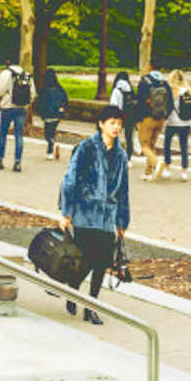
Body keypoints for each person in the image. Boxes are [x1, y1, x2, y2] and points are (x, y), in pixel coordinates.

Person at [57, 104, 132, 325]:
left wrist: (122, 222)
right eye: (112, 123)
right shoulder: (86, 148)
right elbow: (70, 181)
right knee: (85, 262)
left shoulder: (121, 154)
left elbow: (124, 190)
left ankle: (91, 307)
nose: (116, 127)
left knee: (101, 264)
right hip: (85, 215)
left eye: (119, 124)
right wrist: (66, 213)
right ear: (101, 124)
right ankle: (73, 291)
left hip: (108, 217)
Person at [132, 67, 172, 180]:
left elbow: (140, 102)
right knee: (152, 145)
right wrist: (165, 116)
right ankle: (148, 172)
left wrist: (138, 118)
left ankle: (156, 163)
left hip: (146, 117)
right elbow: (170, 102)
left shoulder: (145, 82)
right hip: (160, 118)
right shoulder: (165, 83)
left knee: (144, 146)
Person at [0, 61, 32, 168]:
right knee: (19, 134)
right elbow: (32, 93)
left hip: (7, 107)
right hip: (21, 108)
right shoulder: (26, 74)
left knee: (3, 133)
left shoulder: (5, 74)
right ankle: (17, 162)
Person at [162, 72, 191, 179]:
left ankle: (167, 168)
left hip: (172, 122)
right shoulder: (189, 92)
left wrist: (164, 123)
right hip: (186, 123)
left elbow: (168, 109)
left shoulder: (171, 92)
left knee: (167, 146)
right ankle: (184, 171)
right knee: (184, 147)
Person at [38, 68, 69, 161]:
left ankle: (50, 148)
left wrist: (41, 113)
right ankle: (53, 142)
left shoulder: (43, 89)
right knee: (52, 130)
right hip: (57, 114)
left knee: (48, 134)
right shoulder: (60, 89)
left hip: (47, 114)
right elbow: (65, 101)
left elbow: (40, 102)